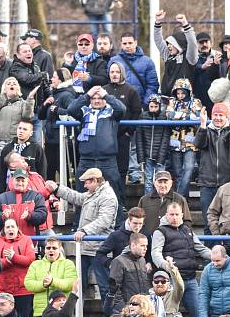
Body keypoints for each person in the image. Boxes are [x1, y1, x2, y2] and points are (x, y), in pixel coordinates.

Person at [46, 170, 117, 299]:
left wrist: (84, 231)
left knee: (104, 286)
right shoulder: (94, 194)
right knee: (79, 285)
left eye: (87, 183)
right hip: (87, 247)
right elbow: (77, 198)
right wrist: (57, 189)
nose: (85, 186)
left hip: (99, 249)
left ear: (95, 181)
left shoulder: (108, 197)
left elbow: (104, 220)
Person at [66, 86, 127, 216]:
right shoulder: (84, 112)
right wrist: (87, 95)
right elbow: (71, 109)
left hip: (108, 161)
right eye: (94, 98)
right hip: (86, 160)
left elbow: (122, 109)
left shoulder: (112, 112)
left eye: (100, 98)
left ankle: (117, 227)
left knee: (114, 194)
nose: (97, 101)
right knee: (82, 195)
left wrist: (107, 95)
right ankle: (79, 226)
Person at [151, 201, 211, 317]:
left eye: (177, 214)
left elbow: (200, 248)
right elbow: (155, 253)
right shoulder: (160, 231)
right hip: (172, 281)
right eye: (171, 214)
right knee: (169, 316)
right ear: (166, 215)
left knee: (198, 316)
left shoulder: (187, 230)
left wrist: (217, 257)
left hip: (190, 279)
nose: (174, 217)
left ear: (182, 215)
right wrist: (166, 266)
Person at [194, 103, 230, 230]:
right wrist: (202, 125)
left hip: (226, 182)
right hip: (207, 183)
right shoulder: (206, 130)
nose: (218, 118)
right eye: (215, 115)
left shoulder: (229, 131)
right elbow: (198, 143)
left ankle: (223, 249)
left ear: (226, 117)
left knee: (225, 220)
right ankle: (210, 249)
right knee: (208, 221)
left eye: (221, 115)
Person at [0, 218, 35, 317]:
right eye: (8, 227)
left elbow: (30, 259)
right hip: (3, 288)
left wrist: (14, 257)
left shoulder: (27, 240)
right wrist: (7, 261)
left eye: (13, 227)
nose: (10, 229)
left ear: (17, 228)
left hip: (23, 289)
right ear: (4, 229)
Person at [106, 233, 149, 315]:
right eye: (142, 246)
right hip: (126, 309)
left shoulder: (142, 260)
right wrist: (123, 309)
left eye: (146, 246)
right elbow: (114, 289)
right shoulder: (119, 261)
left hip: (142, 308)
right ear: (133, 245)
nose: (145, 248)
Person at [135, 94, 170, 195]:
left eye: (156, 106)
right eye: (151, 106)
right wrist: (141, 158)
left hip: (160, 155)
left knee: (162, 181)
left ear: (159, 106)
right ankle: (148, 202)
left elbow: (165, 139)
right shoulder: (143, 116)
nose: (153, 109)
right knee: (148, 181)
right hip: (147, 155)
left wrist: (161, 157)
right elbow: (139, 139)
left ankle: (161, 201)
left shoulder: (164, 117)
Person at [137, 170, 190, 235]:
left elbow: (187, 221)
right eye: (160, 182)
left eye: (165, 182)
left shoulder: (180, 199)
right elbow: (138, 219)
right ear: (154, 183)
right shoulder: (144, 200)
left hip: (172, 240)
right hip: (149, 240)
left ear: (171, 183)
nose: (162, 185)